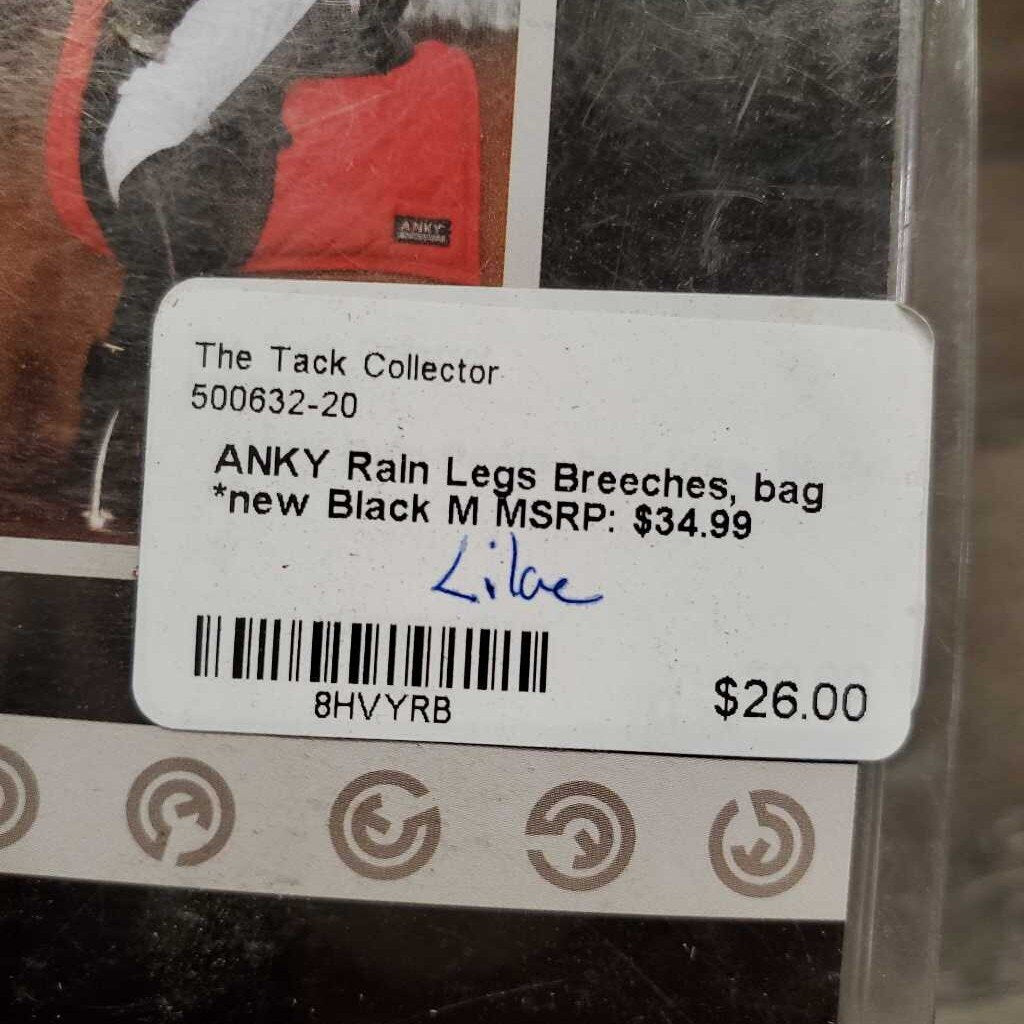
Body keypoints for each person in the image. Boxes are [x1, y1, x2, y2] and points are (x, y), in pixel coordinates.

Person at [72, 0, 413, 527]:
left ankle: (128, 473)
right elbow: (371, 47)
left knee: (188, 313)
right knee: (167, 308)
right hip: (166, 141)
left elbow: (374, 48)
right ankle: (105, 480)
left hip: (213, 151)